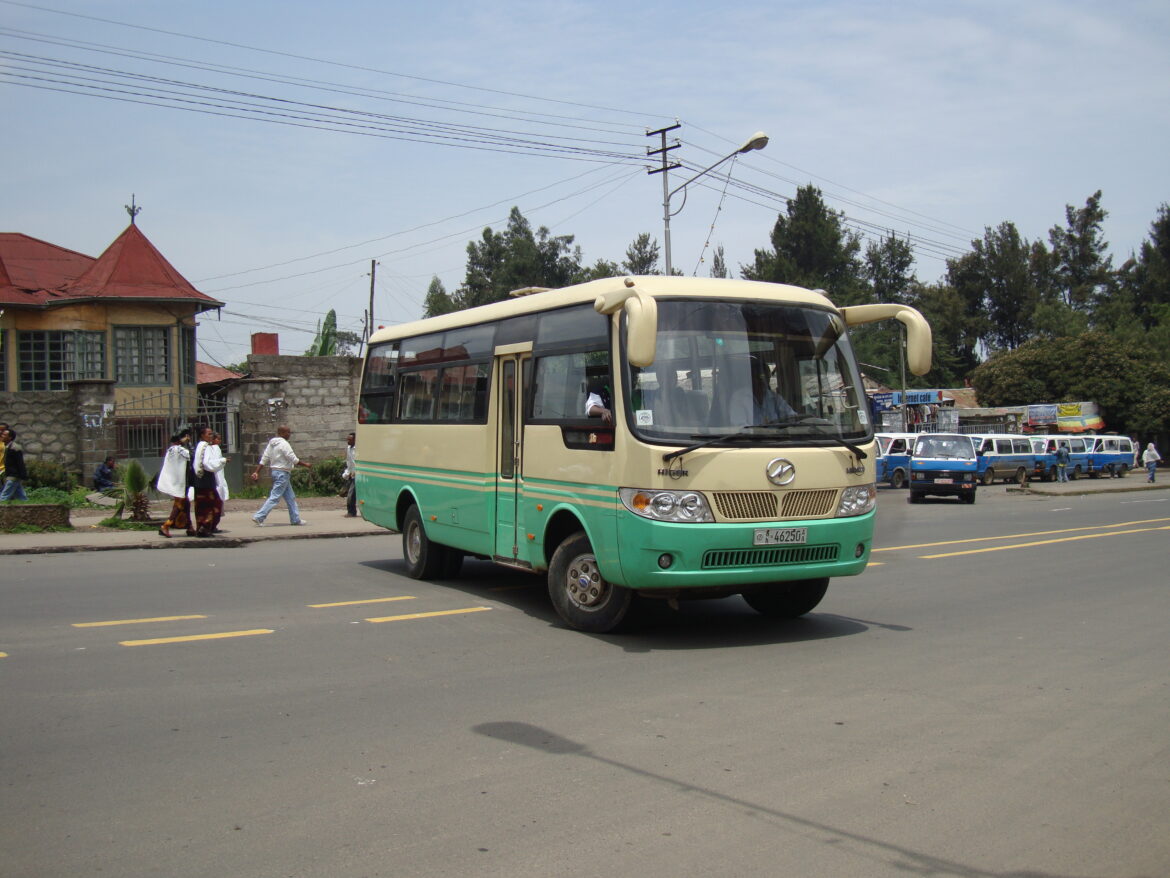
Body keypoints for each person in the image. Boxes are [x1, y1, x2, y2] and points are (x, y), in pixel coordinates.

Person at [250, 424, 311, 526]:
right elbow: (293, 458)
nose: (289, 434)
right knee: (275, 497)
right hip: (282, 474)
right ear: (281, 433)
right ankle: (259, 516)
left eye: (289, 432)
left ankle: (295, 519)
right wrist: (306, 464)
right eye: (287, 432)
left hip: (277, 472)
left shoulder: (272, 444)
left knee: (290, 497)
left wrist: (257, 471)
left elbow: (264, 458)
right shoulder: (284, 444)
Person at [728, 356, 798, 426]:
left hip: (775, 433)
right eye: (759, 377)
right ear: (751, 377)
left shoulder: (774, 398)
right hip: (750, 433)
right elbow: (740, 427)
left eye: (765, 377)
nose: (762, 380)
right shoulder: (739, 398)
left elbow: (792, 417)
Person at [157, 429, 194, 537]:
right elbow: (193, 455)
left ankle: (190, 527)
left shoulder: (171, 450)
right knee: (179, 504)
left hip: (178, 482)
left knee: (186, 503)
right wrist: (189, 443)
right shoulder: (179, 450)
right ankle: (166, 525)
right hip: (180, 483)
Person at [189, 426, 220, 537]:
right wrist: (222, 461)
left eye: (212, 433)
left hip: (199, 480)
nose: (211, 436)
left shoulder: (199, 446)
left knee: (201, 506)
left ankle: (201, 528)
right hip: (206, 480)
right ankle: (205, 527)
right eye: (209, 434)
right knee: (213, 504)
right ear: (202, 435)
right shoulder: (206, 446)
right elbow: (207, 464)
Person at [203, 431, 229, 532]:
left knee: (218, 504)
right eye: (217, 438)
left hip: (219, 478)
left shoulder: (215, 449)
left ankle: (213, 526)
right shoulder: (210, 448)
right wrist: (222, 460)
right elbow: (210, 463)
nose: (219, 441)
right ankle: (211, 526)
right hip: (215, 479)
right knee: (216, 504)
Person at [0, 427, 28, 502]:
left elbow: (20, 463)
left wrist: (23, 475)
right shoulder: (6, 447)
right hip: (10, 475)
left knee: (4, 496)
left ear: (10, 437)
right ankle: (28, 506)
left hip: (13, 476)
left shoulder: (15, 448)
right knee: (21, 497)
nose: (2, 436)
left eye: (4, 435)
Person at [342, 431, 358, 517]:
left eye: (350, 440)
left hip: (357, 474)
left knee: (351, 494)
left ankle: (351, 512)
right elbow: (349, 462)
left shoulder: (358, 448)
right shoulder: (348, 448)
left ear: (355, 440)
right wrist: (347, 473)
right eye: (347, 439)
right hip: (351, 474)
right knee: (350, 493)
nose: (348, 441)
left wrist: (356, 472)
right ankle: (351, 511)